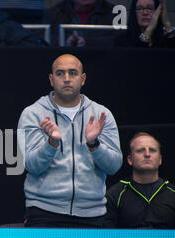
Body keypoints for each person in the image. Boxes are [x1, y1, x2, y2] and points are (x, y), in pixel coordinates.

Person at [17, 54, 122, 228]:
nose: (66, 79)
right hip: (44, 212)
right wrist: (51, 144)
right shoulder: (32, 114)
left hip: (92, 213)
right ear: (51, 79)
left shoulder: (102, 114)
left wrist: (94, 144)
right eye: (60, 73)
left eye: (72, 73)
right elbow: (31, 166)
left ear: (82, 79)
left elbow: (114, 166)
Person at [106, 132, 175, 229]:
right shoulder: (115, 195)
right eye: (140, 150)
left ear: (160, 159)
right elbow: (107, 236)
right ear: (130, 159)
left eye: (152, 150)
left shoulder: (172, 193)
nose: (147, 154)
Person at [43, 0, 119, 47]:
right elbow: (43, 41)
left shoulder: (115, 13)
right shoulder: (53, 13)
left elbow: (119, 41)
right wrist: (65, 42)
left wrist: (88, 43)